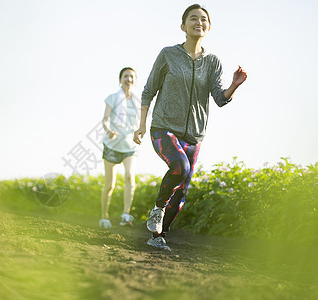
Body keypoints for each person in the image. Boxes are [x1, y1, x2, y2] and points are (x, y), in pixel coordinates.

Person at [133, 4, 247, 249]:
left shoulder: (213, 62)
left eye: (203, 19)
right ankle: (158, 208)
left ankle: (158, 236)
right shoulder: (168, 55)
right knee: (179, 166)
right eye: (193, 18)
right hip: (163, 127)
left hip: (194, 135)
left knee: (181, 193)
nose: (199, 22)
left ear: (208, 27)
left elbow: (219, 98)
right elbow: (148, 90)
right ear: (183, 27)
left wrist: (234, 85)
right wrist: (141, 125)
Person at [99, 67, 141, 229]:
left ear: (134, 80)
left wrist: (139, 132)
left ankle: (126, 214)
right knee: (110, 184)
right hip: (112, 145)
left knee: (130, 176)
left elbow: (141, 122)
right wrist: (109, 131)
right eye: (125, 76)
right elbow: (105, 120)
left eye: (131, 77)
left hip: (130, 146)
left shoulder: (139, 100)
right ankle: (104, 216)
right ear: (120, 79)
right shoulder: (112, 98)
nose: (128, 79)